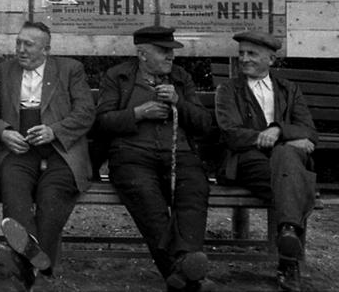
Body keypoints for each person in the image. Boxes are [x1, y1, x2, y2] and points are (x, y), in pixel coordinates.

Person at [95, 25, 213, 292]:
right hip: (131, 158)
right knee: (149, 202)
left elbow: (204, 124)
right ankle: (189, 270)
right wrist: (138, 113)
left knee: (195, 189)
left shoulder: (180, 78)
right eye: (163, 51)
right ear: (142, 54)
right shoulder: (118, 77)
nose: (170, 57)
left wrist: (179, 102)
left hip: (179, 157)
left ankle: (181, 272)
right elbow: (101, 123)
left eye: (171, 52)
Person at [0, 21, 94, 290]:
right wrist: (3, 133)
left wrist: (54, 131)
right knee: (14, 190)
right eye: (18, 43)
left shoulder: (70, 70)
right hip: (19, 149)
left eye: (28, 45)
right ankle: (42, 271)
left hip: (61, 151)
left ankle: (28, 265)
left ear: (46, 49)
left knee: (52, 198)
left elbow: (85, 113)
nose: (20, 50)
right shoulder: (4, 71)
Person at [215, 31, 318, 292]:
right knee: (293, 181)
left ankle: (287, 234)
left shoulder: (288, 89)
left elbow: (309, 130)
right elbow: (231, 133)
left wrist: (279, 131)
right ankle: (288, 256)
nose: (244, 59)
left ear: (271, 59)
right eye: (241, 54)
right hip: (246, 159)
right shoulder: (228, 90)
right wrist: (281, 138)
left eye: (252, 54)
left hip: (285, 161)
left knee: (286, 161)